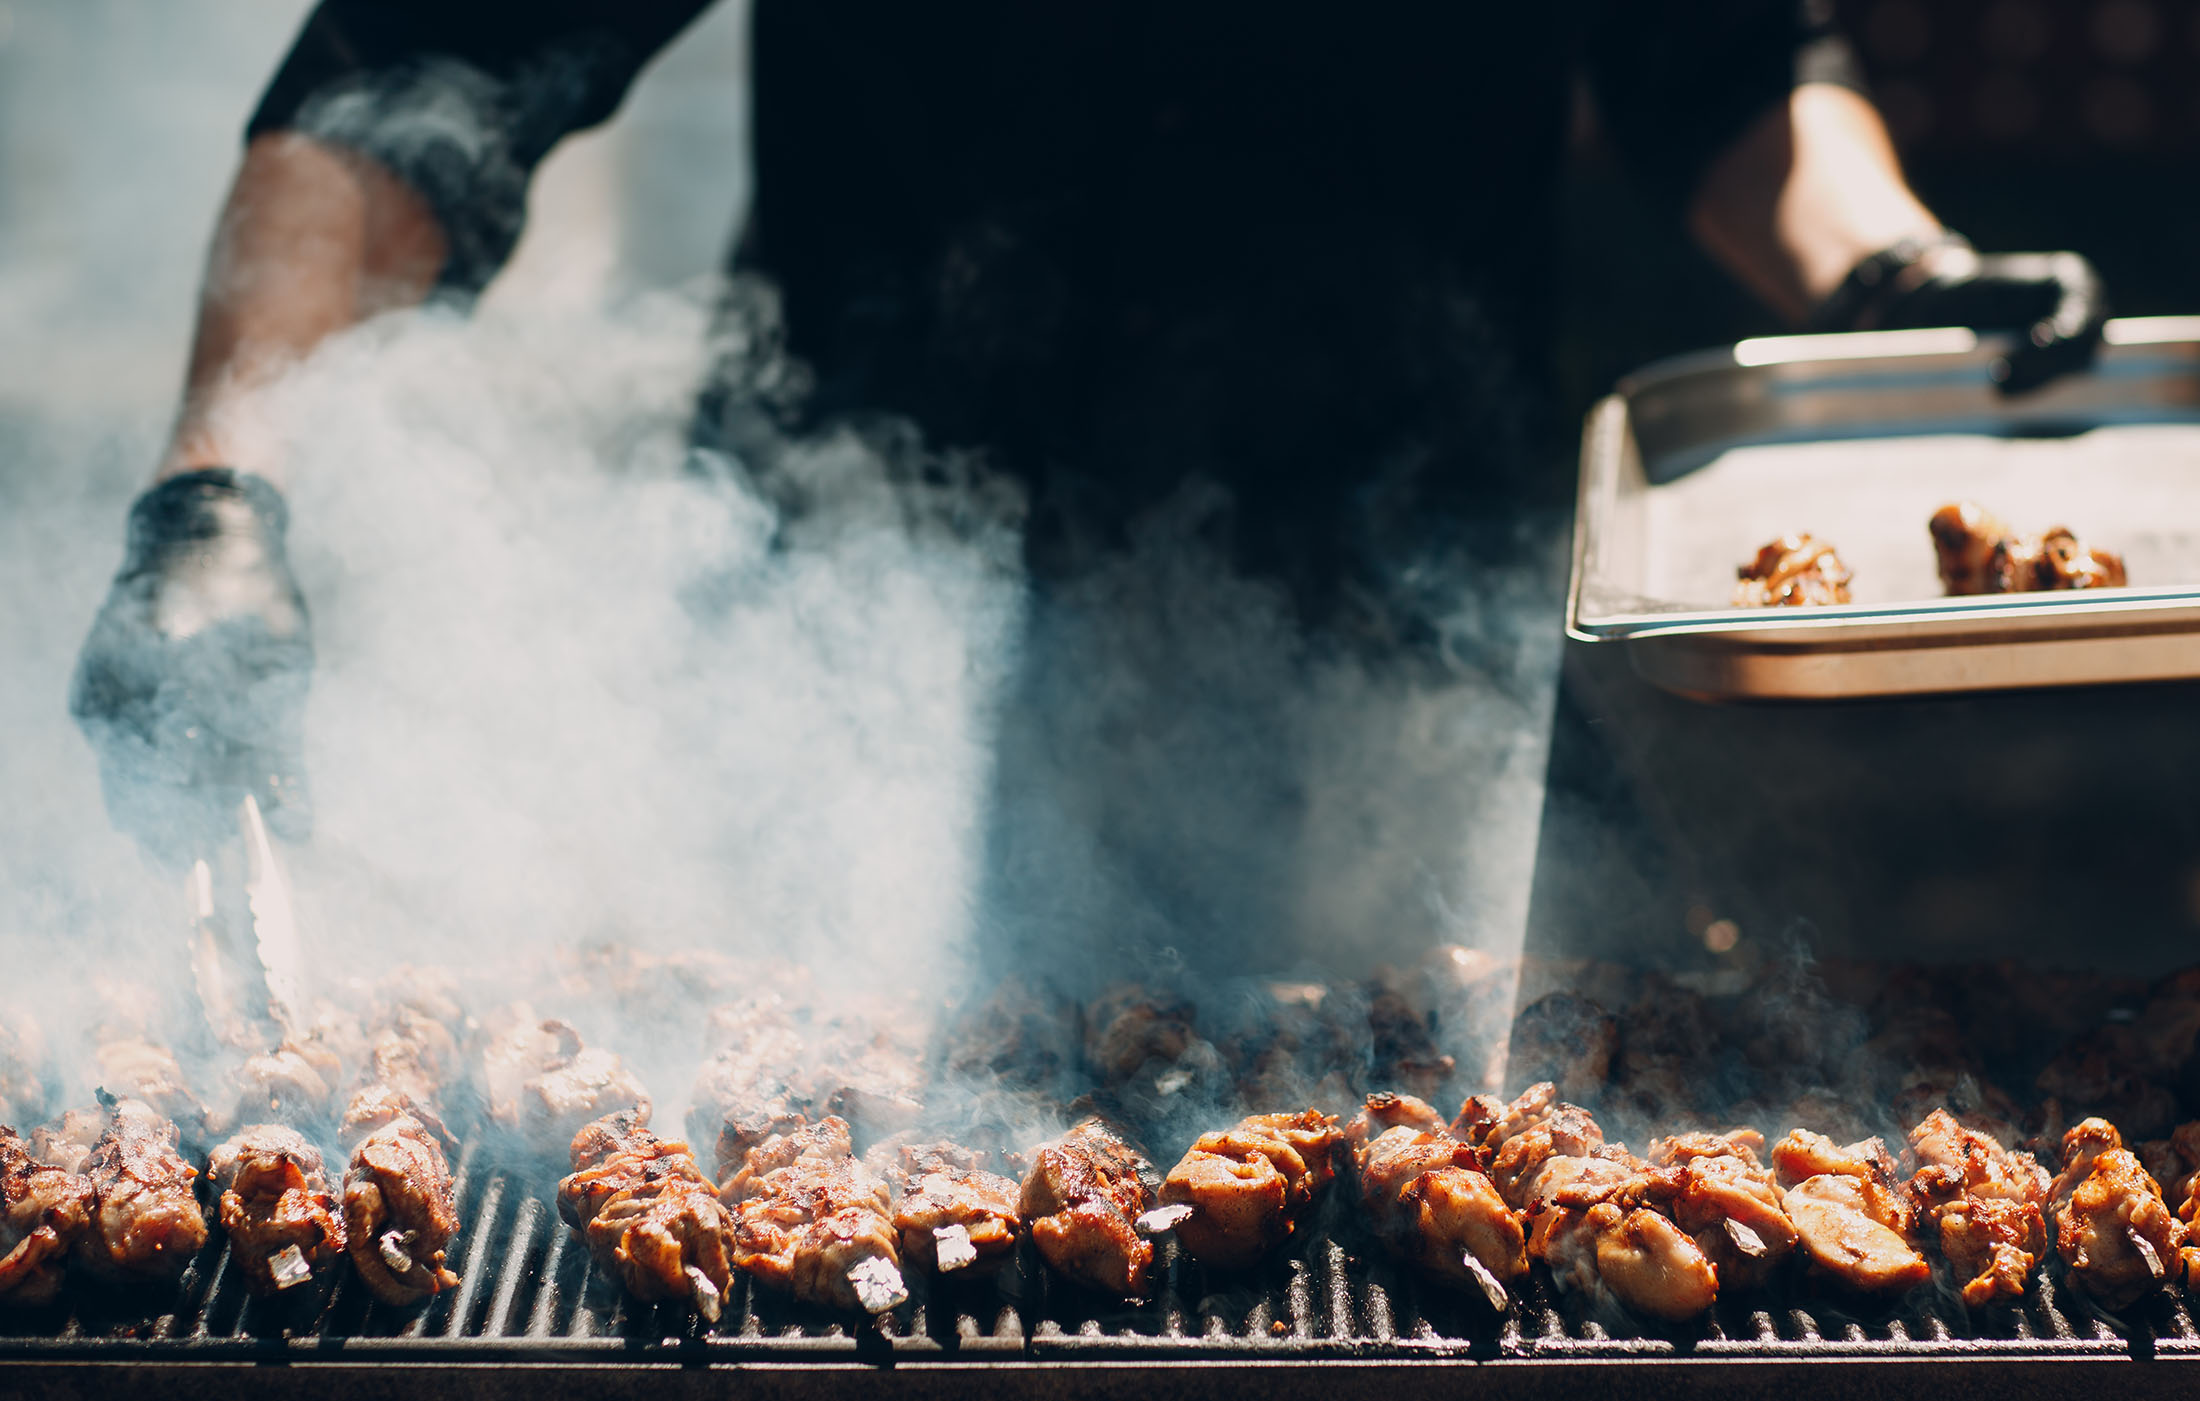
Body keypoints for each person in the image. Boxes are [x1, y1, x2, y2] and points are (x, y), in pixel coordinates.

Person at [70, 0, 2108, 868]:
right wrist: (218, 481)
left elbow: (1721, 57)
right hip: (862, 654)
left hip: (1399, 659)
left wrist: (1888, 277)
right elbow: (431, 59)